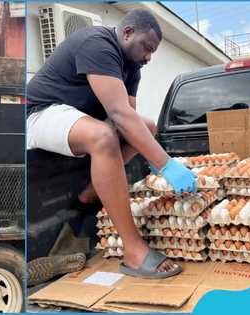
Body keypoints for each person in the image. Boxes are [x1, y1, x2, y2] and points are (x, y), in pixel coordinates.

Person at [26, 9, 197, 279]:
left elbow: (130, 120)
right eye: (147, 48)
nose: (149, 57)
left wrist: (152, 154)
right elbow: (118, 114)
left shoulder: (133, 68)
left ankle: (92, 192)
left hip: (77, 119)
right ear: (128, 32)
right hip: (40, 113)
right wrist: (166, 164)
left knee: (147, 127)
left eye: (153, 52)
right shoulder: (97, 43)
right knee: (103, 136)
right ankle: (133, 251)